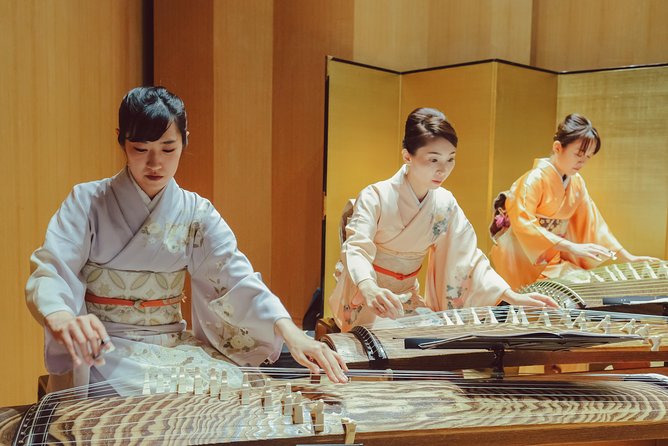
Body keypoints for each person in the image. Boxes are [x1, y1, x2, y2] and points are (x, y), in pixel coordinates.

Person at [26, 86, 348, 393]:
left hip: (169, 343)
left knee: (235, 389)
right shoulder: (87, 202)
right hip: (105, 346)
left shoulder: (196, 213)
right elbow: (53, 267)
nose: (156, 163)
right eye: (141, 149)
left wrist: (291, 333)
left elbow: (237, 278)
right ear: (121, 141)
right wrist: (62, 317)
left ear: (185, 141)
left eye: (168, 148)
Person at [329, 108, 557, 332]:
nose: (443, 169)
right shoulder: (376, 196)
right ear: (407, 155)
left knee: (439, 338)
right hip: (366, 297)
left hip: (407, 297)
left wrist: (511, 296)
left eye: (450, 159)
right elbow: (356, 248)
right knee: (387, 343)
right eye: (433, 159)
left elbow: (467, 258)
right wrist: (368, 286)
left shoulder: (444, 203)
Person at [489, 113, 658, 290]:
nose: (582, 162)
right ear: (558, 147)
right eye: (579, 154)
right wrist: (571, 247)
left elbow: (594, 224)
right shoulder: (533, 180)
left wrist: (627, 257)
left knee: (582, 287)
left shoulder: (576, 183)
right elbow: (524, 224)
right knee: (526, 307)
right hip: (518, 256)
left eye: (588, 157)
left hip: (550, 258)